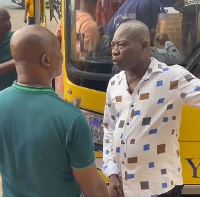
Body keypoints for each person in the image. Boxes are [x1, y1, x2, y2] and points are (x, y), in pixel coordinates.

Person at [0, 25, 109, 197]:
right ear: (46, 60)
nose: (62, 55)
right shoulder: (71, 119)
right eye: (58, 50)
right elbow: (93, 189)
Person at [102, 20, 200, 197]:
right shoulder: (114, 84)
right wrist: (112, 174)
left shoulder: (172, 78)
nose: (114, 51)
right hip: (124, 188)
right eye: (113, 45)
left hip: (160, 188)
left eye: (122, 45)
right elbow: (109, 130)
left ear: (144, 45)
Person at [0, 8, 16, 91]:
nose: (7, 24)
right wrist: (16, 61)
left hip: (14, 89)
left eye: (8, 19)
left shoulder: (15, 37)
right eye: (2, 20)